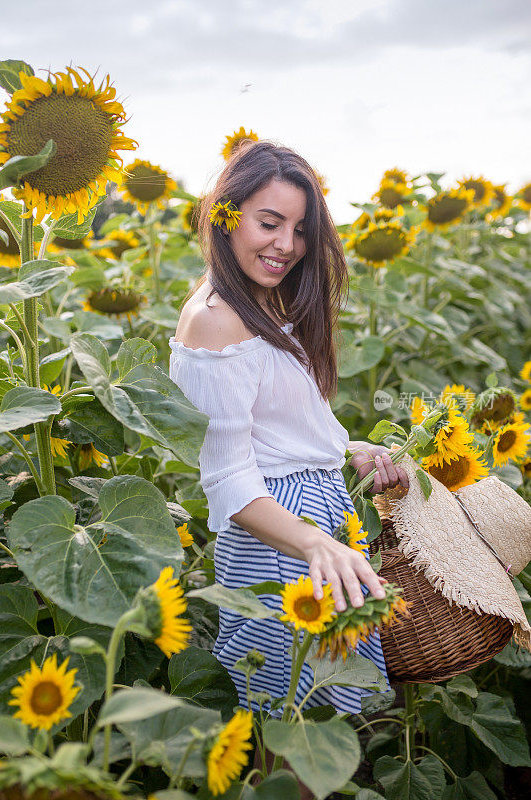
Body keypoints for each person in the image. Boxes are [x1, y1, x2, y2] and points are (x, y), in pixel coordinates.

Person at [168, 140, 409, 789]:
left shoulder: (262, 300)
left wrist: (348, 450)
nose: (286, 244)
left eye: (300, 229)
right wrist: (312, 544)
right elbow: (229, 483)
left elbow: (280, 426)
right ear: (224, 215)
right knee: (288, 727)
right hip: (275, 540)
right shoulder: (214, 325)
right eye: (268, 222)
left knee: (322, 717)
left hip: (312, 524)